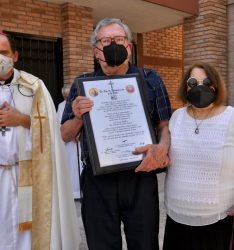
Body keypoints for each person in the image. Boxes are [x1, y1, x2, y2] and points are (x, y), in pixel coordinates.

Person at [61, 18, 171, 250]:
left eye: (119, 40)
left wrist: (161, 149)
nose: (113, 45)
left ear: (129, 47)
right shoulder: (82, 83)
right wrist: (79, 116)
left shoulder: (150, 79)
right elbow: (64, 134)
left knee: (145, 244)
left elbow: (164, 126)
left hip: (140, 176)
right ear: (96, 50)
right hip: (98, 181)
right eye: (106, 40)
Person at [0, 32, 80, 250]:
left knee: (28, 234)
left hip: (27, 176)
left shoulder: (34, 87)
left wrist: (22, 120)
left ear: (15, 55)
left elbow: (53, 132)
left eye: (3, 52)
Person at [163, 62, 234, 250]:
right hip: (176, 218)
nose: (199, 87)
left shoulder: (231, 118)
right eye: (193, 82)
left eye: (207, 81)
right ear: (185, 87)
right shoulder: (177, 117)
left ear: (216, 85)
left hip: (216, 221)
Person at [57, 84, 81, 199]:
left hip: (79, 142)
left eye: (68, 95)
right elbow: (58, 123)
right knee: (71, 166)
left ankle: (82, 190)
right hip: (69, 144)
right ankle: (74, 192)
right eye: (65, 96)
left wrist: (79, 133)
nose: (67, 98)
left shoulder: (78, 104)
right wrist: (70, 134)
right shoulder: (61, 106)